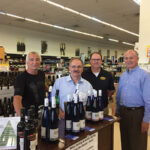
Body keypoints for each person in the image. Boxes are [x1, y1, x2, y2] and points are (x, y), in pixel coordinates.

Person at [116, 50, 150, 150]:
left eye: (131, 58)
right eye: (126, 58)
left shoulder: (145, 76)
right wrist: (117, 110)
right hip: (123, 113)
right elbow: (119, 95)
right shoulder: (123, 76)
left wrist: (146, 120)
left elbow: (148, 100)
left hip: (137, 114)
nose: (128, 60)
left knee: (138, 143)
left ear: (137, 59)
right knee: (125, 140)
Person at [13, 51, 45, 116]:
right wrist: (22, 118)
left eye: (37, 59)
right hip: (29, 115)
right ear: (26, 62)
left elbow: (43, 85)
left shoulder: (42, 74)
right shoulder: (21, 78)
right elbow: (17, 99)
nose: (35, 62)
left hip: (42, 112)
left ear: (40, 62)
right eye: (31, 60)